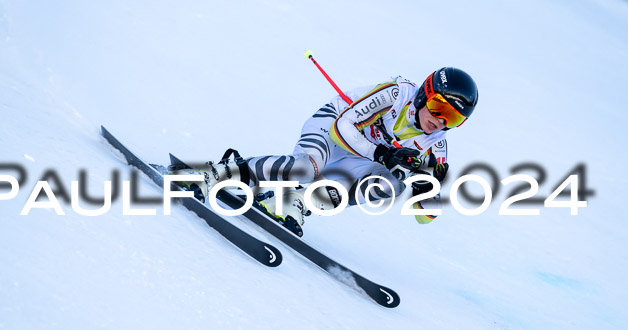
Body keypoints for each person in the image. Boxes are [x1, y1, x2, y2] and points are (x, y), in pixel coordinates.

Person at [171, 67, 479, 236]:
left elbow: (426, 217)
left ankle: (297, 202)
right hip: (332, 129)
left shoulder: (435, 146)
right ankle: (220, 173)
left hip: (359, 157)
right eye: (439, 107)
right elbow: (341, 128)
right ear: (425, 94)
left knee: (393, 184)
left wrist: (425, 188)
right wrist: (384, 154)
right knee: (305, 168)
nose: (438, 121)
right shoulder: (397, 93)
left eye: (451, 118)